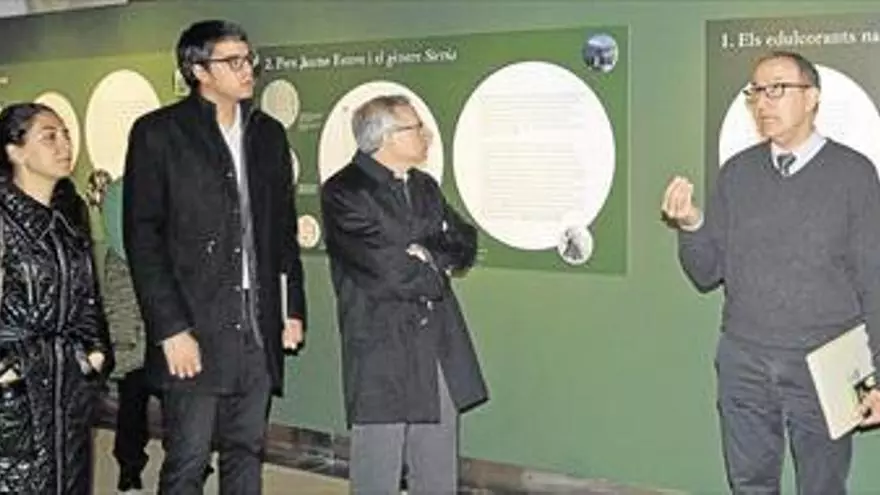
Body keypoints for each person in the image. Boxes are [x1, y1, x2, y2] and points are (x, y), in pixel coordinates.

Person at [662, 50, 880, 494]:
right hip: (744, 361)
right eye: (756, 92)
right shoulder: (737, 173)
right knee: (750, 484)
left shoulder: (854, 174)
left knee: (822, 486)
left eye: (777, 89)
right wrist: (691, 225)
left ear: (812, 97)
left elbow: (874, 278)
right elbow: (706, 273)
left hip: (826, 364)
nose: (763, 102)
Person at [123, 19, 306, 494]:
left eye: (250, 60)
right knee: (189, 458)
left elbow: (282, 232)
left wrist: (291, 308)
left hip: (257, 323)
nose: (248, 70)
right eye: (234, 61)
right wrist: (170, 329)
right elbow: (143, 238)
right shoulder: (159, 133)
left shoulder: (268, 134)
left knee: (247, 451)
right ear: (199, 70)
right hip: (194, 325)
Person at [321, 95, 488, 494]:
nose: (426, 135)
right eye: (416, 128)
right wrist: (433, 265)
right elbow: (388, 271)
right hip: (382, 346)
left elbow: (464, 241)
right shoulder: (344, 192)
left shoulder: (424, 186)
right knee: (377, 469)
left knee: (437, 467)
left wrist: (426, 254)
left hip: (437, 343)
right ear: (386, 137)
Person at [0, 102, 112, 494]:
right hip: (15, 404)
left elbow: (88, 301)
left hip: (69, 396)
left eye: (65, 134)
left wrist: (93, 353)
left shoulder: (66, 220)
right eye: (49, 137)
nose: (65, 145)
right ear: (15, 151)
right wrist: (11, 370)